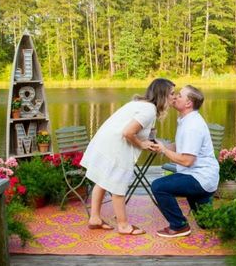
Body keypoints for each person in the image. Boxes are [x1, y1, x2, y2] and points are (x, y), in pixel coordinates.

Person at [81, 78, 175, 236]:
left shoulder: (143, 105)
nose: (174, 96)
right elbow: (127, 132)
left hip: (106, 141)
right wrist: (141, 144)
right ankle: (123, 225)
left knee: (103, 181)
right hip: (116, 146)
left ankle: (95, 219)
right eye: (172, 93)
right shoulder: (149, 110)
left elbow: (139, 130)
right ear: (163, 94)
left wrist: (149, 139)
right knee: (118, 184)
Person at [150, 84, 219, 238]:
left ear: (188, 103)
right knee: (207, 223)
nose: (175, 97)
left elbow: (187, 161)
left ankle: (179, 225)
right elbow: (182, 146)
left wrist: (164, 150)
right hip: (200, 176)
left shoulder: (192, 126)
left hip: (199, 178)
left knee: (159, 186)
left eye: (179, 95)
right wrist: (162, 146)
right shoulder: (186, 120)